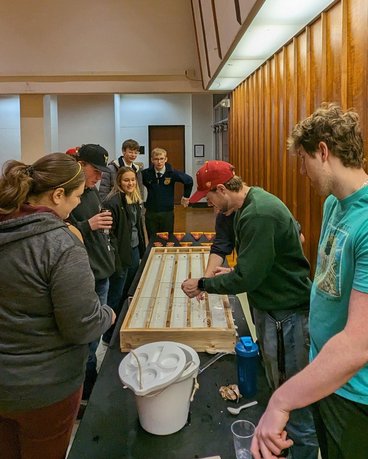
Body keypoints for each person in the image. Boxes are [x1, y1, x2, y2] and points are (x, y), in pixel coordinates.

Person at [250, 103, 368, 459]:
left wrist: (281, 400)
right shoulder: (334, 203)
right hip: (322, 370)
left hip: (353, 392)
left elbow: (358, 344)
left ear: (323, 151)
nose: (301, 171)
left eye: (303, 159)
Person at [182, 160, 318, 459]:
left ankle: (303, 451)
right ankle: (279, 445)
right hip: (268, 306)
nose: (209, 205)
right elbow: (232, 251)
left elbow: (248, 277)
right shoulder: (238, 208)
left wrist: (204, 283)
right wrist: (222, 274)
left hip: (286, 312)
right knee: (277, 384)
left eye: (209, 198)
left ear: (221, 189)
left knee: (292, 392)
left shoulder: (259, 213)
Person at [0, 153, 115, 459]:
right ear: (58, 195)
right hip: (45, 388)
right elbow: (82, 325)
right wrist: (109, 313)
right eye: (77, 197)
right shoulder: (60, 244)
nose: (79, 204)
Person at [68, 143, 116, 400]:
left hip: (101, 271)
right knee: (87, 340)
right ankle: (85, 392)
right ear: (80, 165)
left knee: (95, 337)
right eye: (95, 171)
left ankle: (90, 381)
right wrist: (88, 224)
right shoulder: (68, 197)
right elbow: (63, 234)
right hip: (87, 276)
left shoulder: (90, 193)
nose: (99, 177)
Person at [102, 166, 146, 344]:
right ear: (119, 181)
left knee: (129, 289)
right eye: (126, 180)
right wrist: (115, 260)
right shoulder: (112, 202)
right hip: (120, 255)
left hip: (134, 251)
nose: (130, 183)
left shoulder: (134, 199)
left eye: (133, 180)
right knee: (116, 294)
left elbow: (137, 228)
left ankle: (123, 325)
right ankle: (108, 334)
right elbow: (109, 235)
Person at [142, 147, 193, 238]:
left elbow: (189, 180)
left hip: (167, 212)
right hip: (151, 212)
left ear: (166, 159)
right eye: (156, 159)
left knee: (167, 239)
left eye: (161, 159)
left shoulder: (172, 173)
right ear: (152, 160)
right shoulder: (146, 174)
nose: (159, 162)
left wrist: (186, 196)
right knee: (152, 239)